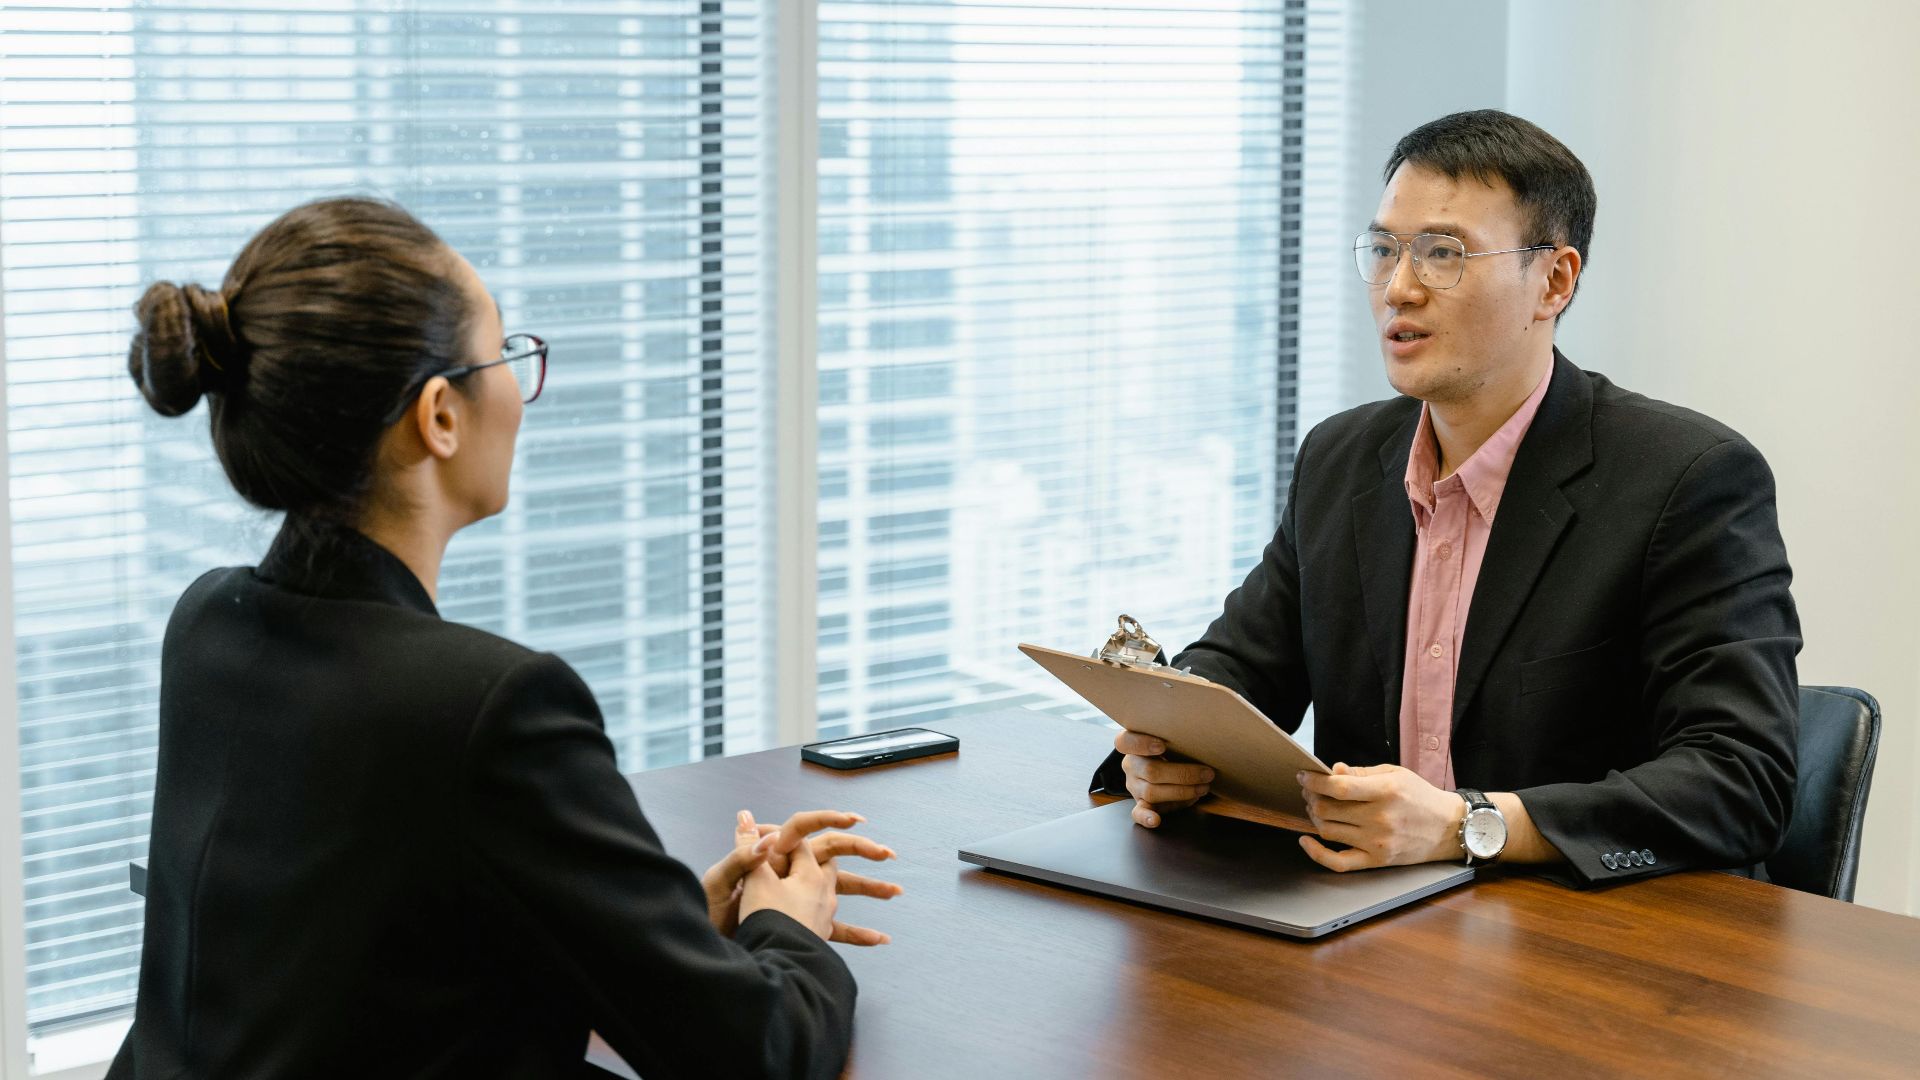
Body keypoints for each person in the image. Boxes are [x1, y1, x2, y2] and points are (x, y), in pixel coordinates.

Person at [109, 197, 897, 1078]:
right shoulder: (487, 708)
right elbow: (759, 1056)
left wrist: (653, 934)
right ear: (440, 414)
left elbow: (346, 969)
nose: (521, 389)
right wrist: (786, 929)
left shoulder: (211, 623)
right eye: (507, 354)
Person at [1097, 110, 1799, 886]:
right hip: (1368, 918)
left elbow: (1742, 783)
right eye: (1385, 250)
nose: (1399, 287)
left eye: (1442, 254)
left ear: (1554, 281)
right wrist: (1175, 748)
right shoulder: (1343, 458)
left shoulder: (1688, 480)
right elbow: (1241, 666)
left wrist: (1473, 825)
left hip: (1589, 940)